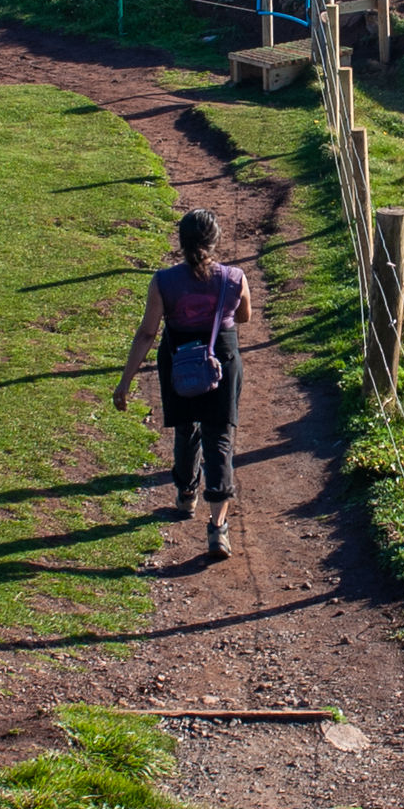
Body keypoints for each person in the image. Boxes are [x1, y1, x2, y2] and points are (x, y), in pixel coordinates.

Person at [113, 208, 252, 560]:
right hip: (221, 357)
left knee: (186, 429)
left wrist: (125, 382)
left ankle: (186, 494)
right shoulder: (234, 277)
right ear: (215, 241)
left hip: (178, 357)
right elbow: (246, 316)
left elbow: (147, 332)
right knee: (220, 435)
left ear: (181, 241)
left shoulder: (163, 281)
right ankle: (217, 527)